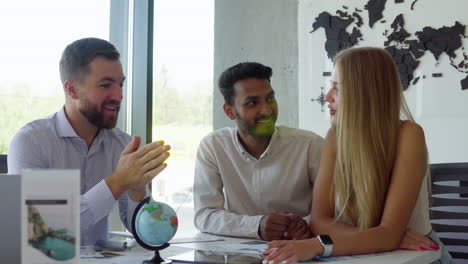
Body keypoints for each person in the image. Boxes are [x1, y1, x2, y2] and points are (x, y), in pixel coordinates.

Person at [263, 47, 452, 263]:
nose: (327, 97)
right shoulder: (335, 137)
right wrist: (381, 239)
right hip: (369, 255)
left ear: (363, 92)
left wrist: (318, 244)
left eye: (337, 88)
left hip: (420, 257)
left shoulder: (409, 134)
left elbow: (386, 234)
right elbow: (319, 222)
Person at [8, 38, 171, 246]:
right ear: (72, 90)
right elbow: (45, 233)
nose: (119, 96)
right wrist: (118, 181)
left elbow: (143, 232)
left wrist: (137, 190)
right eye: (105, 85)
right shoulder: (32, 143)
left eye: (120, 85)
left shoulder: (122, 144)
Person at [193, 62, 324, 241]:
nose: (267, 110)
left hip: (300, 249)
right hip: (238, 255)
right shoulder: (214, 146)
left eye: (270, 99)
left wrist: (306, 225)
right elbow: (204, 215)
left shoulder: (310, 145)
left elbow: (337, 208)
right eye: (252, 103)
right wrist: (257, 226)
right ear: (230, 111)